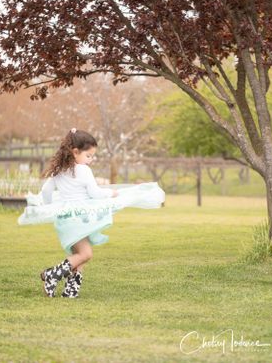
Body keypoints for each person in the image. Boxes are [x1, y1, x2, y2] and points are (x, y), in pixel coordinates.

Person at [18, 128, 165, 299]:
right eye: (88, 156)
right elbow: (95, 193)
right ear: (75, 152)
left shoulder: (59, 170)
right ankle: (51, 274)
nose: (91, 160)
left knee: (78, 256)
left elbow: (46, 191)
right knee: (85, 254)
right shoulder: (82, 170)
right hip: (78, 218)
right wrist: (111, 193)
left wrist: (53, 208)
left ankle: (71, 292)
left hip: (65, 219)